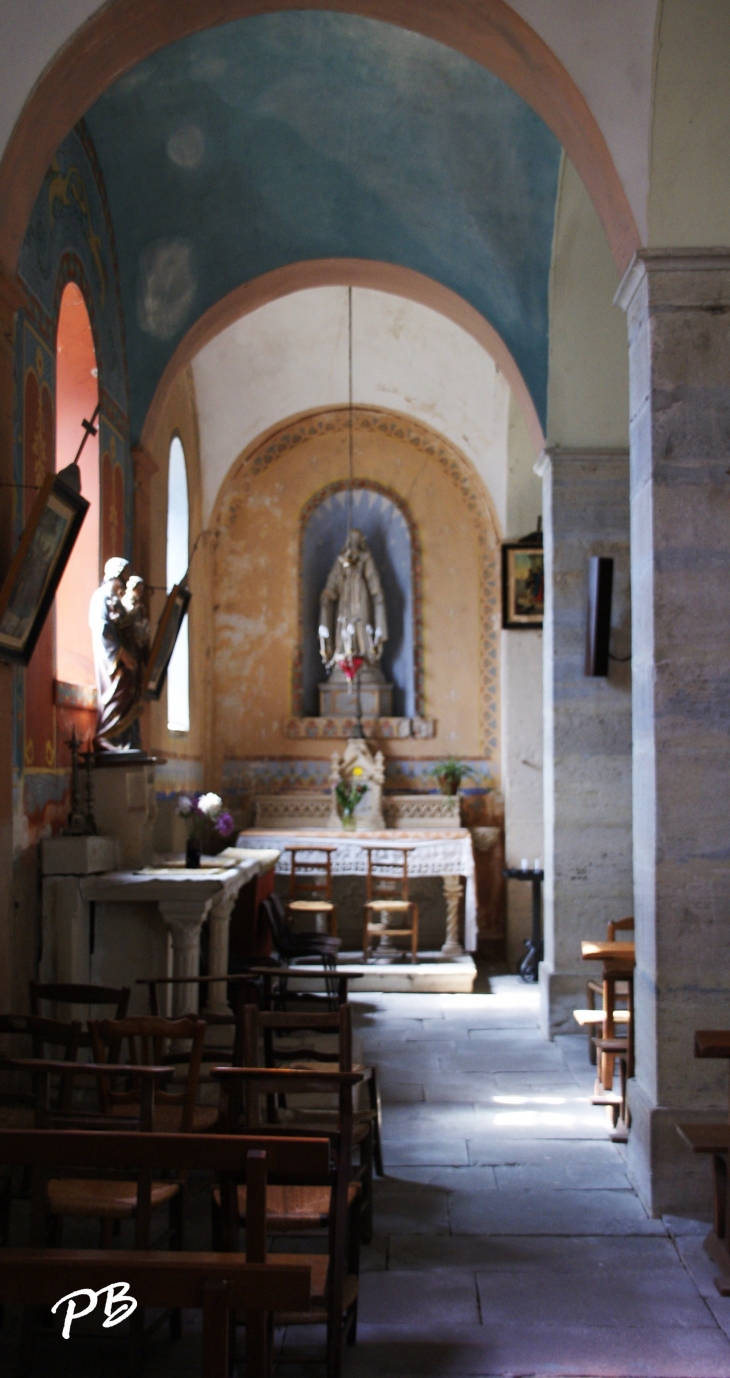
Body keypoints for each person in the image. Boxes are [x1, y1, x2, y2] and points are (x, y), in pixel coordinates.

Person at [88, 556, 142, 750]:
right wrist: (121, 654)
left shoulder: (117, 600)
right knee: (117, 695)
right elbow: (104, 630)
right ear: (115, 575)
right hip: (115, 663)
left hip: (126, 663)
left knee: (128, 696)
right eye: (124, 578)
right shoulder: (101, 597)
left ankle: (123, 740)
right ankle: (108, 736)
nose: (126, 583)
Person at [318, 528, 388, 668]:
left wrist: (377, 593)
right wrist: (328, 594)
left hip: (361, 597)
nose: (353, 543)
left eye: (357, 539)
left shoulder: (365, 558)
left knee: (362, 623)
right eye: (351, 539)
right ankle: (343, 658)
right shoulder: (342, 559)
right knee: (344, 624)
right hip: (345, 599)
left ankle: (366, 658)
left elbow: (373, 578)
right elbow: (333, 581)